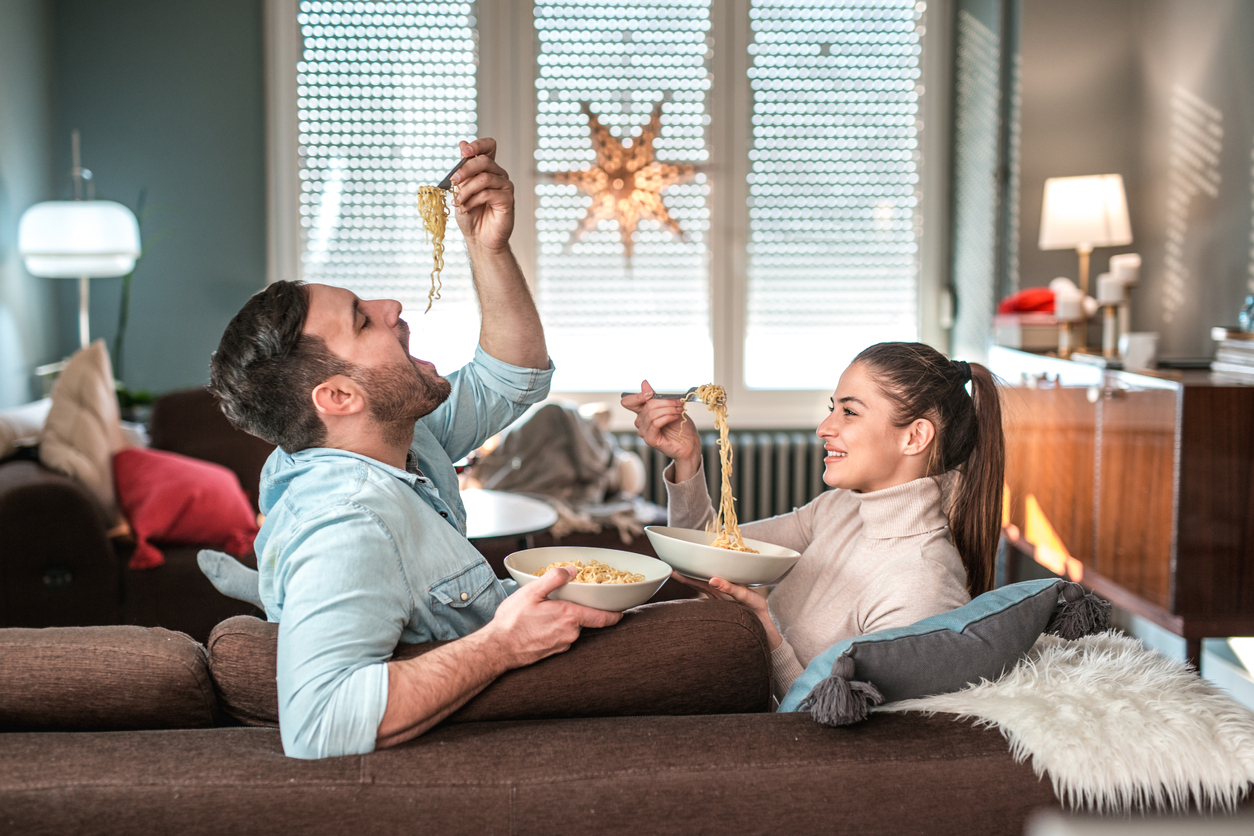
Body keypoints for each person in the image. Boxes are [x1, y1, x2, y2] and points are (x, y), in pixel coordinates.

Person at [206, 138, 619, 760]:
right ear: (339, 395)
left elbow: (516, 374)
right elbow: (319, 724)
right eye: (362, 320)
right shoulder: (348, 525)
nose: (391, 306)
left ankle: (274, 593)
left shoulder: (389, 434)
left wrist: (487, 247)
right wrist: (501, 644)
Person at [622, 343, 1004, 701]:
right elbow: (706, 550)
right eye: (832, 407)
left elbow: (854, 733)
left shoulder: (921, 584)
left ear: (915, 436)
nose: (824, 427)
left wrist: (764, 631)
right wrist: (688, 459)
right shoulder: (839, 509)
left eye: (849, 412)